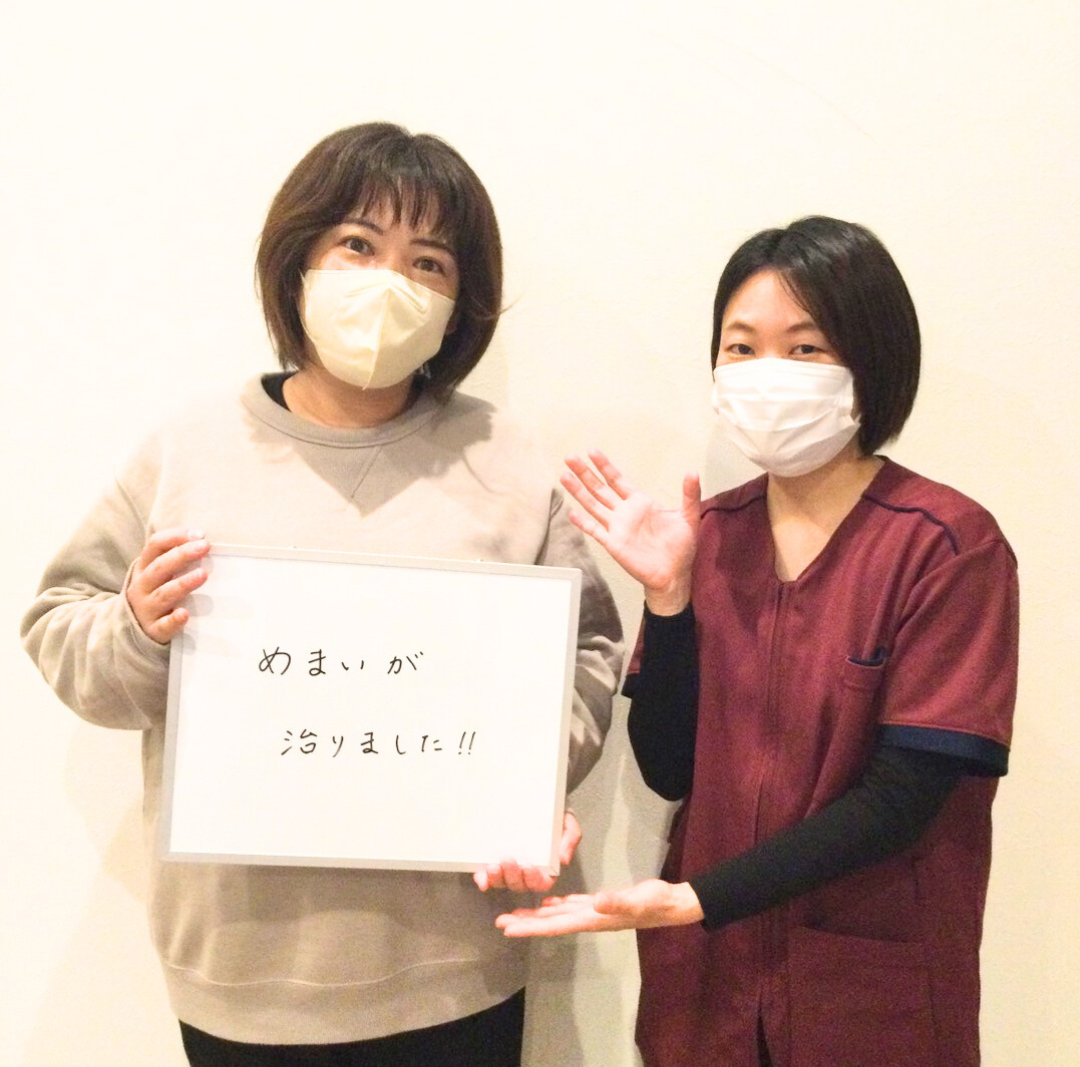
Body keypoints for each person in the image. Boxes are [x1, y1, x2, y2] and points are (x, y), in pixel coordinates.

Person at [21, 122, 623, 1067]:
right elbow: (61, 629)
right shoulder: (188, 449)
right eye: (358, 245)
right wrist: (137, 627)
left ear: (459, 304)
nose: (391, 282)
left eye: (429, 263)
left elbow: (587, 654)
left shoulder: (508, 461)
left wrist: (528, 775)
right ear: (297, 259)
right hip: (239, 972)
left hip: (453, 965)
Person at [497, 216, 1018, 1067]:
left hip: (868, 993)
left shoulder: (948, 546)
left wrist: (697, 898)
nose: (767, 372)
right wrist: (668, 599)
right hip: (709, 993)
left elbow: (903, 798)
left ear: (871, 361)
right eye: (740, 348)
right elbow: (669, 769)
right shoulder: (711, 535)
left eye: (805, 349)